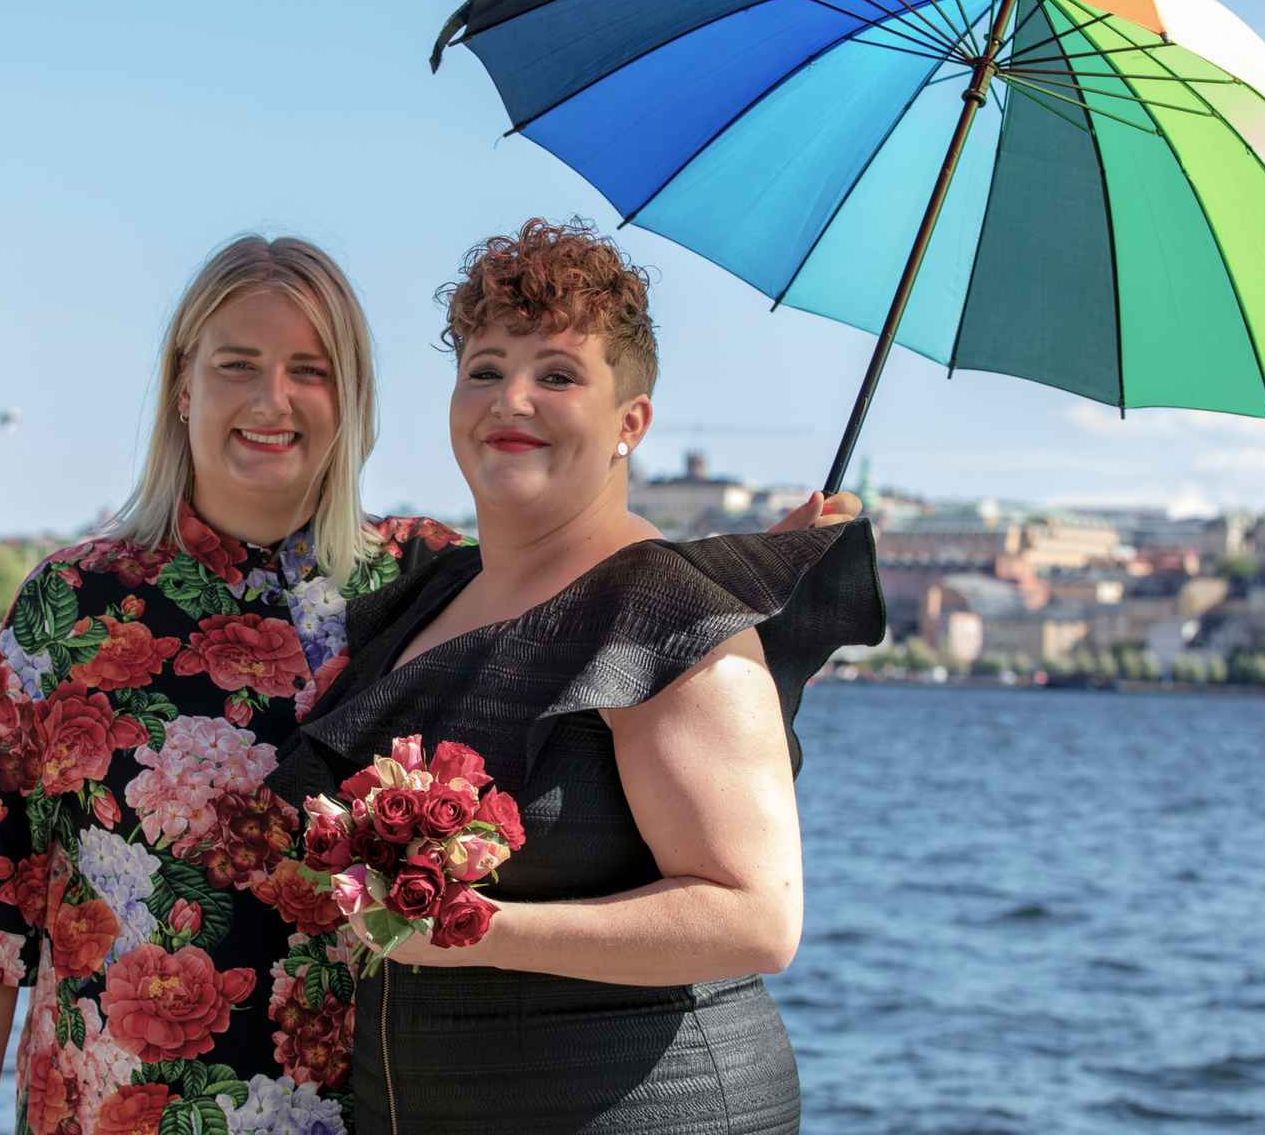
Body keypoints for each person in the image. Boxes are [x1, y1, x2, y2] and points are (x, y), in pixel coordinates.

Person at [0, 231, 860, 1135]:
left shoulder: (413, 577)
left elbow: (588, 591)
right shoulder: (71, 606)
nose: (272, 399)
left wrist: (729, 584)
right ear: (181, 388)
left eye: (310, 371)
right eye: (236, 364)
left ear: (350, 399)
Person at [270, 219, 886, 1134]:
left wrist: (480, 931)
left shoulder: (668, 611)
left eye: (557, 375)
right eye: (484, 369)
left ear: (629, 423)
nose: (510, 399)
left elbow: (756, 919)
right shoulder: (431, 592)